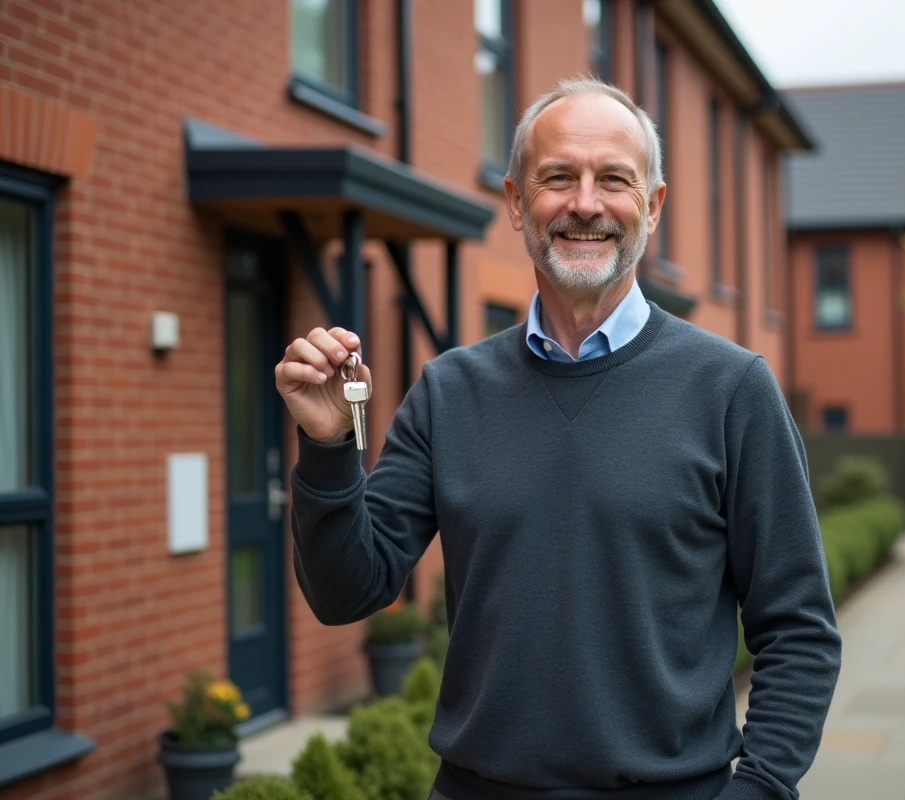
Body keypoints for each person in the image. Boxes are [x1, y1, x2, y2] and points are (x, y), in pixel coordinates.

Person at [275, 78, 841, 800]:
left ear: (653, 205)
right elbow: (346, 591)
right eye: (557, 178)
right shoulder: (450, 392)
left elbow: (799, 632)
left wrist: (757, 789)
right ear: (515, 201)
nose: (584, 203)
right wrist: (328, 447)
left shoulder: (730, 390)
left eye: (613, 179)